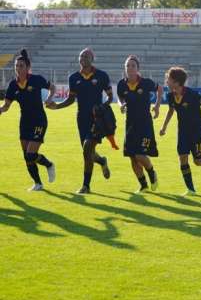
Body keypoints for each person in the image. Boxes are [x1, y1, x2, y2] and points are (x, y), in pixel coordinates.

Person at [46, 48, 113, 194]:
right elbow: (71, 99)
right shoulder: (73, 77)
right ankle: (102, 161)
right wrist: (56, 106)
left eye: (86, 56)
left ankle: (86, 186)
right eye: (81, 55)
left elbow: (110, 97)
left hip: (97, 119)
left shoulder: (102, 76)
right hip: (81, 119)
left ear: (92, 59)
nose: (83, 58)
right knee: (87, 152)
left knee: (87, 147)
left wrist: (102, 107)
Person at [160, 67, 201, 195]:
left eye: (169, 79)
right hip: (183, 133)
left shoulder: (192, 94)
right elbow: (171, 111)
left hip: (197, 133)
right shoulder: (170, 96)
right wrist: (164, 127)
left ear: (177, 82)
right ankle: (191, 189)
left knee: (197, 161)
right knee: (183, 158)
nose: (166, 81)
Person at [0, 49, 56, 191]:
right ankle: (38, 183)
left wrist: (49, 98)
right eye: (16, 66)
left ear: (28, 67)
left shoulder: (36, 80)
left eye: (21, 66)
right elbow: (6, 105)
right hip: (24, 123)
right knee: (27, 156)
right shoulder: (13, 85)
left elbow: (52, 87)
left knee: (31, 154)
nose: (18, 69)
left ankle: (49, 164)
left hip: (39, 121)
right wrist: (0, 110)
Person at [116, 55, 162, 193]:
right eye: (127, 66)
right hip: (130, 124)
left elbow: (160, 89)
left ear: (138, 69)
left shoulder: (146, 83)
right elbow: (120, 97)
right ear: (125, 69)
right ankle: (143, 186)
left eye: (133, 66)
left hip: (145, 124)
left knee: (140, 154)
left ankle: (152, 172)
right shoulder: (121, 84)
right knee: (132, 156)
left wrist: (157, 105)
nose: (130, 68)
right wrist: (121, 104)